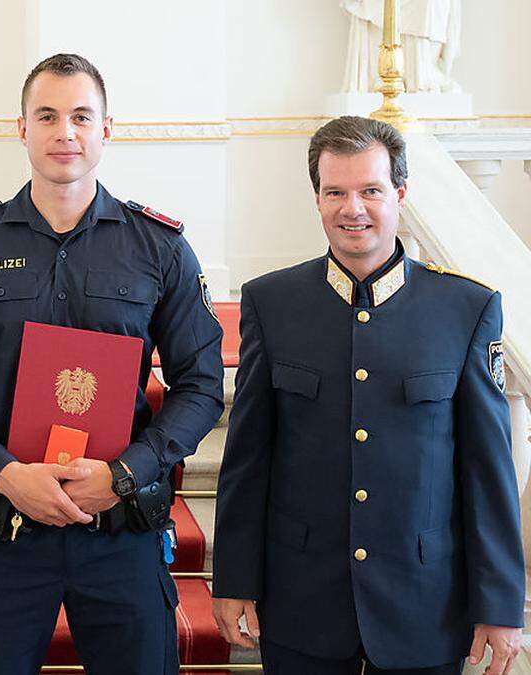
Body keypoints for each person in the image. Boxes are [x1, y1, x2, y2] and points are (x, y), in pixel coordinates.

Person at [0, 53, 224, 674]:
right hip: (4, 525)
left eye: (82, 116)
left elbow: (202, 385)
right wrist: (2, 472)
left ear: (106, 129)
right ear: (21, 128)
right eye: (47, 116)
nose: (66, 132)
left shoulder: (158, 246)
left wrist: (127, 473)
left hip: (121, 525)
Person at [211, 115, 524, 675]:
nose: (352, 208)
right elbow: (247, 461)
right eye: (336, 192)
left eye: (370, 191)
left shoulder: (465, 309)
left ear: (399, 194)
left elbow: (487, 470)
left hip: (424, 604)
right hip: (301, 599)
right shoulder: (273, 303)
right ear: (317, 198)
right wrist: (234, 580)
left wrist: (499, 604)